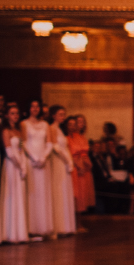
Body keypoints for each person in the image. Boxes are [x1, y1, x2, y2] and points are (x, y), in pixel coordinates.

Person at [21, 100, 53, 239]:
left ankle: (44, 227)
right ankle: (32, 228)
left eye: (37, 106)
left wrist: (44, 156)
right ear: (28, 108)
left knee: (43, 193)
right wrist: (34, 157)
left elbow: (50, 142)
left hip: (43, 161)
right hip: (31, 160)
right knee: (32, 193)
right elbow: (23, 142)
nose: (35, 109)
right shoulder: (24, 123)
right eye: (32, 106)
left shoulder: (45, 124)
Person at [0, 103, 29, 244]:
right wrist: (19, 165)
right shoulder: (6, 131)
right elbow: (9, 152)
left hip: (20, 164)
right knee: (11, 196)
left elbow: (21, 149)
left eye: (17, 113)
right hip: (12, 166)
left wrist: (24, 164)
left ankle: (20, 232)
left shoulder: (19, 131)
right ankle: (10, 233)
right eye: (12, 113)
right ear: (7, 115)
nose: (15, 116)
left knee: (20, 196)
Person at [48, 106, 78, 235]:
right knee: (59, 191)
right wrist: (67, 161)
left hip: (64, 162)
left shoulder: (60, 129)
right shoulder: (52, 128)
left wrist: (69, 161)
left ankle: (67, 225)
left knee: (65, 191)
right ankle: (59, 226)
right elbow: (56, 147)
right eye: (60, 114)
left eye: (64, 114)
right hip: (58, 162)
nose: (63, 117)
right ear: (53, 115)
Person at [68, 115, 94, 213]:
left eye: (82, 122)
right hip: (77, 167)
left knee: (83, 194)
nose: (81, 124)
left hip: (85, 166)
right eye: (78, 122)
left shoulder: (83, 137)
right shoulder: (70, 138)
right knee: (77, 194)